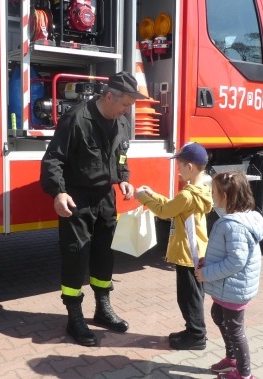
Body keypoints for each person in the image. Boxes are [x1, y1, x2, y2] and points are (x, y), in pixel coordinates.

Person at [40, 71, 144, 346]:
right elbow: (53, 159)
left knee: (104, 253)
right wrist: (58, 192)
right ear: (110, 96)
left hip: (105, 197)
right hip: (77, 198)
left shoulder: (120, 122)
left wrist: (123, 179)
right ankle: (75, 316)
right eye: (124, 105)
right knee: (77, 256)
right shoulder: (77, 118)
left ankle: (102, 308)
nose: (127, 112)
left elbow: (121, 155)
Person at [134, 142, 213, 350]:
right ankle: (192, 329)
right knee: (193, 295)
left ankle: (197, 336)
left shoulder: (187, 195)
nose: (177, 169)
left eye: (179, 165)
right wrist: (153, 194)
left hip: (188, 254)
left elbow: (164, 212)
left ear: (190, 168)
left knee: (189, 298)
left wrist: (142, 198)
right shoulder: (200, 190)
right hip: (195, 252)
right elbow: (173, 206)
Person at [194, 171, 263, 379]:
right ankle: (231, 358)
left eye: (213, 191)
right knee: (218, 314)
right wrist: (208, 261)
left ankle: (244, 374)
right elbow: (228, 253)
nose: (211, 193)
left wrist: (206, 273)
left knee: (235, 330)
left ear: (224, 196)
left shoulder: (233, 226)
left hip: (234, 288)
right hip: (230, 286)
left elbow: (236, 261)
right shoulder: (237, 221)